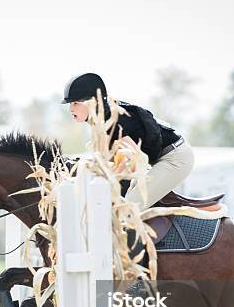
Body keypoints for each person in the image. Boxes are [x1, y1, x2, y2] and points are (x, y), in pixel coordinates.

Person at [62, 72, 194, 209]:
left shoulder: (111, 120)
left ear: (93, 103)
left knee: (127, 210)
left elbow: (136, 160)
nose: (71, 109)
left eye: (75, 103)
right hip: (164, 158)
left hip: (175, 160)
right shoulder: (102, 121)